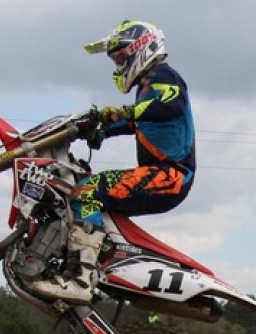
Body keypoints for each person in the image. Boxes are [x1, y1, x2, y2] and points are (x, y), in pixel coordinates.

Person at [31, 20, 196, 304]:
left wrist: (124, 112)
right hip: (163, 175)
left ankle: (81, 279)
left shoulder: (164, 76)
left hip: (171, 175)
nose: (119, 66)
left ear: (141, 49)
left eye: (121, 59)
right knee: (83, 188)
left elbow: (169, 106)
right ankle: (88, 259)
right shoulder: (146, 86)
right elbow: (139, 121)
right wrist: (99, 131)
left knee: (88, 191)